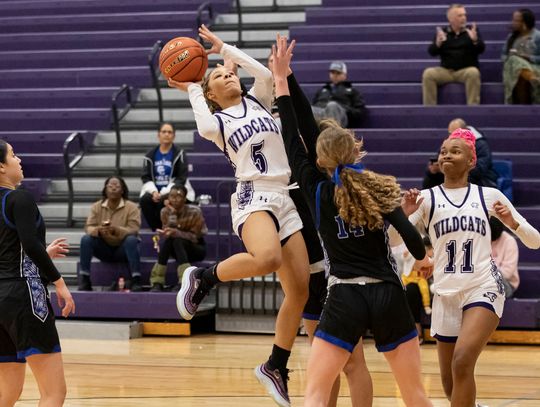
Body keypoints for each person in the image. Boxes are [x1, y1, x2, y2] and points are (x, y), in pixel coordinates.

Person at [272, 35, 433, 407]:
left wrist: (283, 80)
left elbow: (296, 138)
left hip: (345, 295)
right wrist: (421, 256)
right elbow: (412, 242)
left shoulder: (316, 190)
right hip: (389, 294)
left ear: (321, 159)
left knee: (314, 394)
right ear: (355, 149)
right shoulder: (374, 187)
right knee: (415, 395)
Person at [168, 25, 310, 407]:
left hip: (285, 195)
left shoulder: (260, 102)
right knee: (267, 259)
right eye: (219, 75)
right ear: (212, 94)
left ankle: (275, 365)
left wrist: (224, 48)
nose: (228, 74)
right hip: (253, 193)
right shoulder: (219, 123)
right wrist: (194, 86)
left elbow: (266, 75)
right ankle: (202, 276)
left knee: (299, 289)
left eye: (229, 71)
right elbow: (201, 124)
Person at [400, 129, 540, 406]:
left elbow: (535, 241)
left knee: (462, 362)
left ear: (471, 161)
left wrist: (514, 223)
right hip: (445, 293)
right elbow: (392, 239)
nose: (446, 155)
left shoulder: (488, 195)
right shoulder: (426, 198)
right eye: (443, 151)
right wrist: (403, 216)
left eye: (455, 151)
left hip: (482, 286)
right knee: (451, 386)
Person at [285, 72, 373, 405]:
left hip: (343, 277)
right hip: (312, 277)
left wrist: (284, 81)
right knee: (324, 362)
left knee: (352, 362)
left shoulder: (338, 184)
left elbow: (300, 122)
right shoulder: (299, 180)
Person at [0, 140, 75, 406]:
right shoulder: (19, 197)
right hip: (23, 298)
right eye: (13, 154)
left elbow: (13, 250)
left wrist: (43, 255)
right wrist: (60, 282)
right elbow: (30, 245)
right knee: (54, 392)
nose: (19, 159)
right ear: (1, 166)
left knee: (7, 393)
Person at [78, 176, 142, 292]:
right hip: (104, 248)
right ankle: (85, 279)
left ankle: (136, 279)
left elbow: (134, 229)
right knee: (86, 239)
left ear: (122, 190)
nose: (113, 189)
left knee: (132, 240)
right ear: (105, 190)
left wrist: (116, 230)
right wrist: (98, 231)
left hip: (123, 249)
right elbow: (88, 227)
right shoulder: (96, 206)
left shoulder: (132, 207)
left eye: (117, 186)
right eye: (110, 186)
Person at [422, 3, 485, 105]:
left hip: (465, 71)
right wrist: (438, 43)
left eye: (464, 15)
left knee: (474, 72)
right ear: (451, 19)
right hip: (447, 71)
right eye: (460, 16)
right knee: (428, 74)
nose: (464, 18)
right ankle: (430, 109)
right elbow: (432, 52)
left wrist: (475, 40)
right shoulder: (442, 32)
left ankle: (473, 108)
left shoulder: (471, 31)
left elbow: (481, 50)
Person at [150, 185, 207, 292]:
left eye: (178, 196)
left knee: (177, 240)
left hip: (196, 249)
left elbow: (195, 237)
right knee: (171, 240)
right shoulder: (165, 212)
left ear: (185, 198)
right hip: (176, 249)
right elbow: (169, 232)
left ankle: (184, 282)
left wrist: (176, 232)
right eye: (171, 196)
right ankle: (157, 282)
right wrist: (167, 231)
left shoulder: (195, 211)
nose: (174, 199)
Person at [140, 122, 195, 231]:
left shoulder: (180, 154)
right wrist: (154, 192)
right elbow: (145, 177)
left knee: (163, 200)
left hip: (173, 190)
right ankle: (157, 230)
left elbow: (181, 178)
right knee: (145, 200)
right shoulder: (150, 155)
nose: (166, 134)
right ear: (158, 135)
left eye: (170, 132)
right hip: (155, 191)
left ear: (174, 136)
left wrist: (164, 192)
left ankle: (165, 230)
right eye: (164, 132)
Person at [422, 118, 498, 188]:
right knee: (431, 177)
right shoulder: (448, 142)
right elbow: (436, 159)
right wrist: (433, 170)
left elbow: (480, 169)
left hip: (477, 179)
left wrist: (456, 167)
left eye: (456, 134)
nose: (452, 137)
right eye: (450, 134)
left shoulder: (481, 145)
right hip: (452, 176)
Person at [311, 61, 367, 128]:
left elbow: (359, 112)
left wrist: (344, 109)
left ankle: (332, 135)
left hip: (340, 116)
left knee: (332, 106)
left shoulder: (352, 91)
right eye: (332, 72)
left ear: (345, 75)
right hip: (321, 114)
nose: (335, 75)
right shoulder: (322, 90)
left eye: (338, 73)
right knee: (309, 108)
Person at [502, 9, 540, 104]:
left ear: (524, 23)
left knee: (520, 73)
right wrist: (513, 57)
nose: (513, 23)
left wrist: (528, 57)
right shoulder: (511, 37)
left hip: (534, 67)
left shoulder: (537, 37)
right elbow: (503, 56)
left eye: (516, 20)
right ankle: (531, 78)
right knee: (514, 59)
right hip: (513, 70)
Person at [402, 236, 433, 343]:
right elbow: (406, 260)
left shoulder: (429, 253)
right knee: (406, 289)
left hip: (422, 280)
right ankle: (412, 333)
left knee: (414, 290)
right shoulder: (412, 252)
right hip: (410, 280)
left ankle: (417, 332)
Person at [490, 216, 520, 298]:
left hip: (507, 283)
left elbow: (507, 272)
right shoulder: (481, 238)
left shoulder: (509, 241)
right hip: (485, 281)